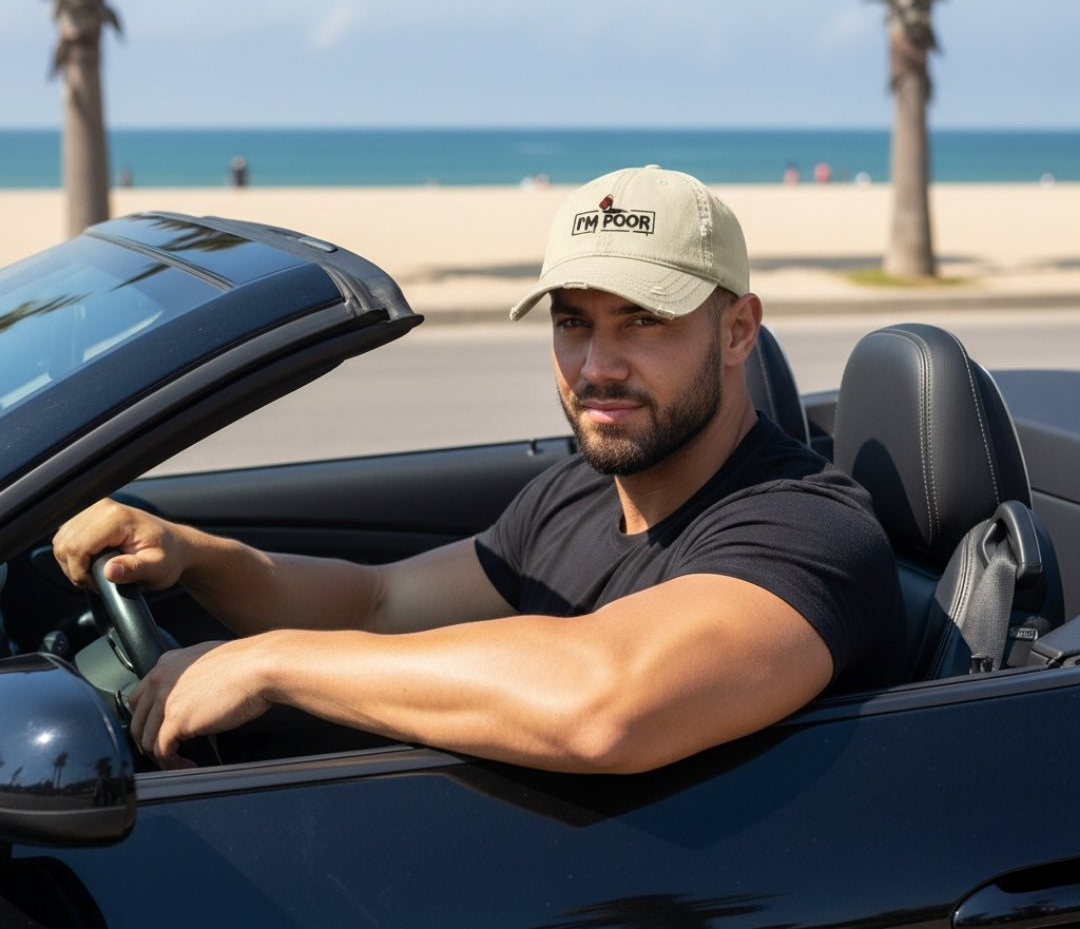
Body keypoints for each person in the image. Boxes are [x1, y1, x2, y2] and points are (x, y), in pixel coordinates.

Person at [53, 165, 905, 774]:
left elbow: (604, 704)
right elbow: (380, 606)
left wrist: (272, 664)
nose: (598, 364)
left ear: (736, 332)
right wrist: (198, 555)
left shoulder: (805, 528)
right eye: (573, 323)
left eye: (642, 322)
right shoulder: (580, 493)